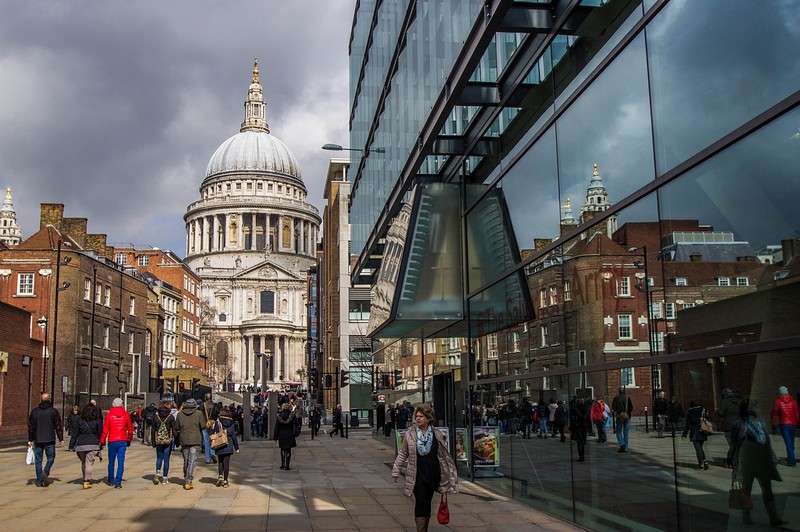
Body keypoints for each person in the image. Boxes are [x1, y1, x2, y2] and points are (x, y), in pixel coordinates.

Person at [392, 403, 458, 532]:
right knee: (420, 500)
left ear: (428, 419)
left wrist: (448, 473)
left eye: (421, 416)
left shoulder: (437, 434)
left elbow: (443, 455)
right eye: (417, 416)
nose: (418, 418)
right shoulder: (410, 434)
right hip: (417, 474)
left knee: (427, 501)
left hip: (433, 474)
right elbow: (403, 453)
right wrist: (396, 470)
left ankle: (424, 527)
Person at [731, 399, 786, 527]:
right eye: (756, 407)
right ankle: (746, 516)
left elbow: (766, 443)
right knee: (747, 491)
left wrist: (772, 457)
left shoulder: (761, 421)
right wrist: (737, 470)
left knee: (768, 491)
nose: (758, 410)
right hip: (747, 464)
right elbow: (736, 446)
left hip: (762, 462)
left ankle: (773, 517)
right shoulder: (738, 424)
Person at [28, 393, 64, 487]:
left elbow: (31, 426)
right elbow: (58, 425)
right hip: (49, 438)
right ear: (49, 399)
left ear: (41, 399)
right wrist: (61, 438)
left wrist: (30, 439)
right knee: (51, 457)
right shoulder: (53, 411)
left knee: (38, 460)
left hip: (38, 438)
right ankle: (46, 471)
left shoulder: (35, 412)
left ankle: (39, 480)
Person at [99, 397, 134, 489]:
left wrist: (102, 440)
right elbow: (130, 430)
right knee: (121, 461)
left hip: (112, 441)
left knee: (111, 461)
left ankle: (111, 479)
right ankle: (118, 481)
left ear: (113, 404)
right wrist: (129, 439)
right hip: (122, 440)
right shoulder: (126, 415)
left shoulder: (109, 415)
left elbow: (105, 429)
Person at [69, 402, 102, 489]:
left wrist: (71, 445)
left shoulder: (80, 420)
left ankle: (84, 477)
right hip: (93, 444)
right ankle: (86, 481)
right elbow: (100, 433)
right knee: (89, 463)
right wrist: (102, 443)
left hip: (81, 444)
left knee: (84, 462)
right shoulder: (97, 421)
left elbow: (75, 434)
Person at [174, 398, 206, 490]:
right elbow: (203, 426)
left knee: (186, 459)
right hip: (195, 438)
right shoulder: (199, 413)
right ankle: (188, 480)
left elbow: (177, 427)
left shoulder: (180, 414)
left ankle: (186, 476)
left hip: (184, 438)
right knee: (192, 460)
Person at [770, 385, 799, 467]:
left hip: (784, 424)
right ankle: (790, 457)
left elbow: (774, 412)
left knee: (788, 442)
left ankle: (792, 461)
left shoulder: (778, 401)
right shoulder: (794, 402)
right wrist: (797, 423)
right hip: (793, 424)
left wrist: (773, 422)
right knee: (791, 442)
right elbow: (797, 414)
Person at [211, 407, 240, 486]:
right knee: (226, 463)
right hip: (228, 443)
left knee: (220, 461)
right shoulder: (231, 422)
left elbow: (214, 432)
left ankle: (220, 475)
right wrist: (236, 447)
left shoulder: (218, 422)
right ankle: (225, 480)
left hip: (220, 443)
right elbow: (233, 435)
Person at [151, 400, 175, 485]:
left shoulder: (156, 416)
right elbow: (174, 429)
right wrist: (176, 440)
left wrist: (153, 441)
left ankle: (158, 471)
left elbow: (153, 429)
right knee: (166, 459)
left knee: (159, 457)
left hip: (159, 439)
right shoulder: (170, 417)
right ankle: (164, 478)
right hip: (167, 440)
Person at [717, 388, 743, 468]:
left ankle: (730, 461)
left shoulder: (724, 401)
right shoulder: (739, 401)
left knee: (732, 445)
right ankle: (734, 461)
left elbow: (721, 413)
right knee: (737, 444)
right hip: (738, 425)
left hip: (728, 425)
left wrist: (718, 411)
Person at [682, 399, 710, 470]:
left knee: (698, 449)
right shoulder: (703, 411)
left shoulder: (690, 412)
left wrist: (684, 434)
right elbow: (707, 419)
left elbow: (688, 425)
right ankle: (705, 461)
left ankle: (701, 464)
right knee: (700, 448)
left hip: (695, 432)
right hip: (703, 431)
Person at [274, 403, 298, 470]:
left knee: (282, 449)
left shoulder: (279, 415)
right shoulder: (292, 415)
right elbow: (296, 424)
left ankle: (282, 464)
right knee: (288, 450)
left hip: (282, 434)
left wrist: (275, 436)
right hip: (289, 433)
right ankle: (287, 465)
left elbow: (277, 427)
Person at [612, 387, 633, 453]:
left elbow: (614, 408)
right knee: (626, 433)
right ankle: (626, 448)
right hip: (627, 417)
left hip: (619, 417)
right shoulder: (628, 398)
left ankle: (621, 444)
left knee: (618, 431)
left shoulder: (616, 398)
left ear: (619, 391)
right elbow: (631, 407)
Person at [201, 392, 219, 464]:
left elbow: (200, 415)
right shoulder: (215, 405)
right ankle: (212, 453)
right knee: (213, 439)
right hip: (213, 424)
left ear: (205, 398)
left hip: (205, 424)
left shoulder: (202, 405)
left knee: (206, 442)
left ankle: (208, 459)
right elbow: (217, 414)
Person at [570, 398, 589, 462]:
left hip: (578, 427)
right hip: (584, 427)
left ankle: (581, 456)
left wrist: (572, 427)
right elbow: (587, 418)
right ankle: (582, 456)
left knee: (579, 442)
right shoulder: (586, 409)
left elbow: (573, 419)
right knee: (583, 442)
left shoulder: (575, 409)